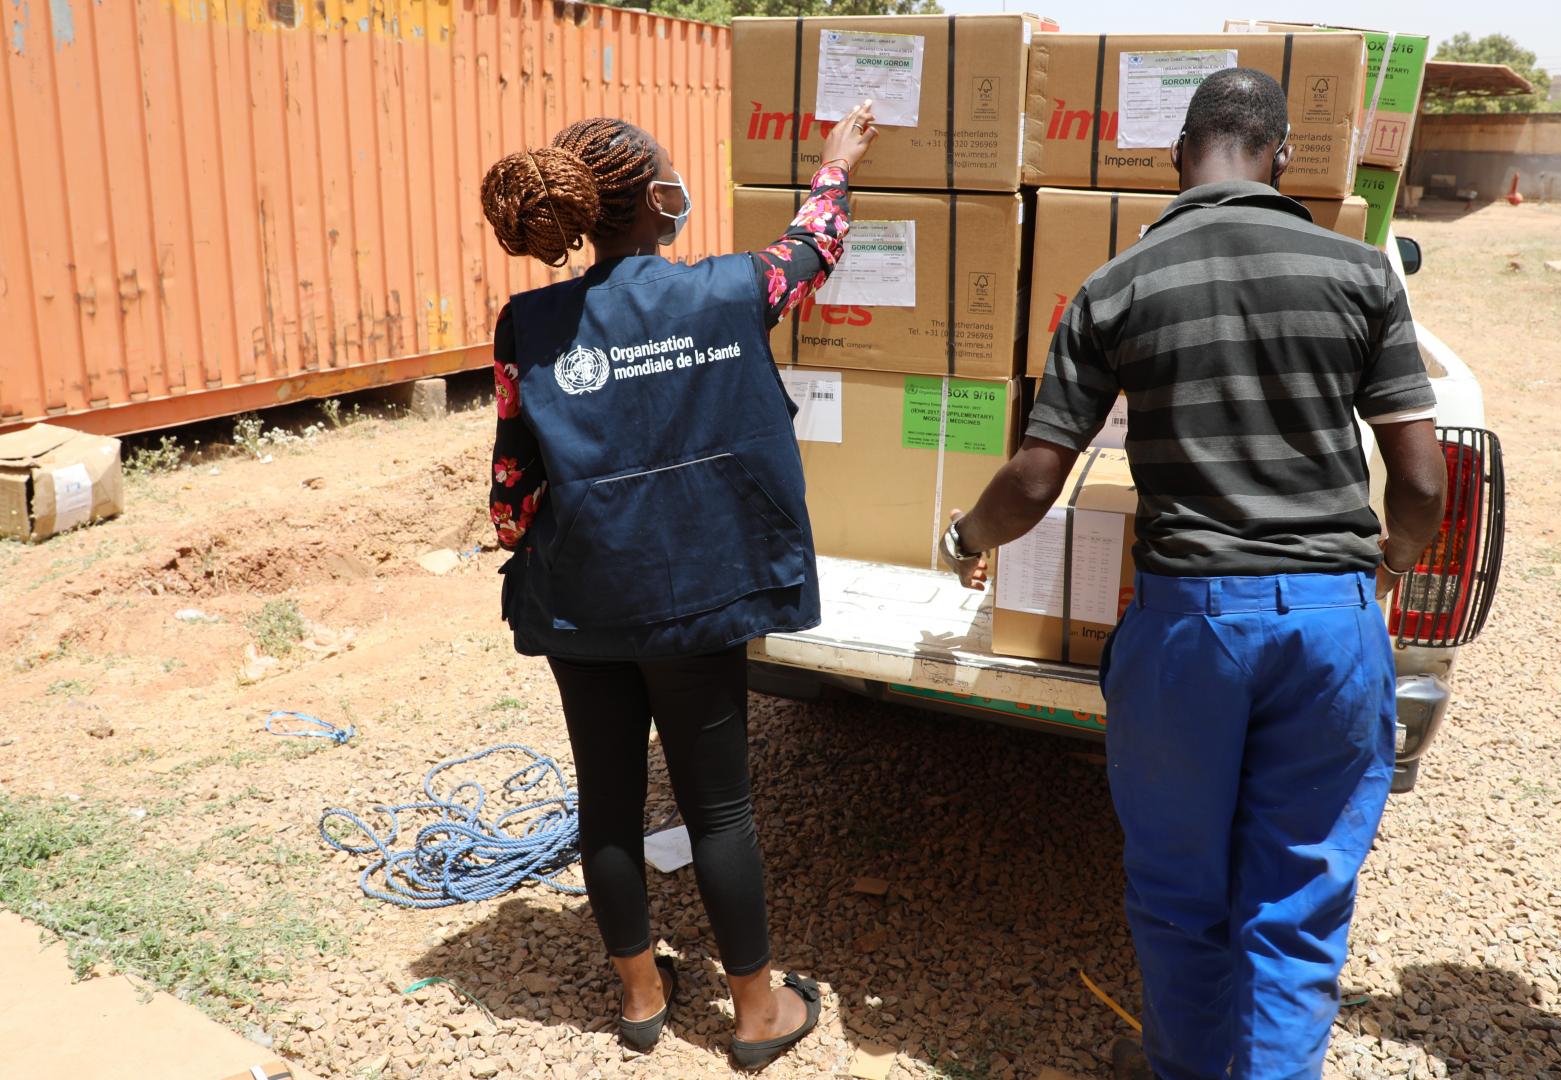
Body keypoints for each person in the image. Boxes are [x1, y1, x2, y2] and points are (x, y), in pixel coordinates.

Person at [937, 69, 1448, 1080]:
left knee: (1180, 897)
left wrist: (965, 538)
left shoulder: (1118, 286)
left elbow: (1038, 475)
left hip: (1190, 633)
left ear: (1180, 156)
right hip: (1330, 626)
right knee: (1295, 910)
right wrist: (1385, 565)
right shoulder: (1361, 274)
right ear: (1285, 155)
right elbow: (1422, 479)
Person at [481, 102, 878, 1067]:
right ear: (662, 199)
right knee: (721, 811)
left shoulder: (528, 323)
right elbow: (814, 246)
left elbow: (509, 492)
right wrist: (834, 164)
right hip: (700, 601)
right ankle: (754, 1015)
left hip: (581, 602)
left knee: (607, 804)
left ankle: (641, 996)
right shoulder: (731, 291)